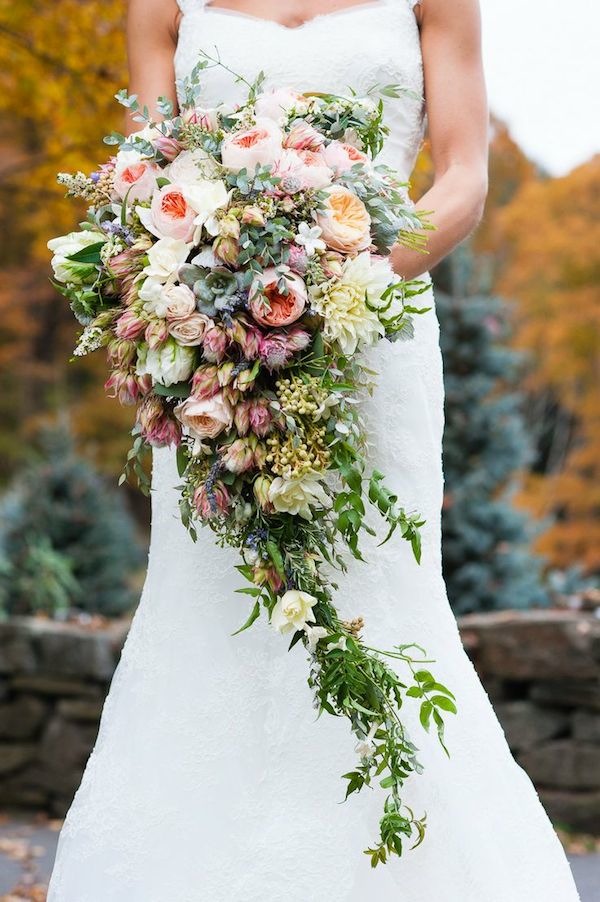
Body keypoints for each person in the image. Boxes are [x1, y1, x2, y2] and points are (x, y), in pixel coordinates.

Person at [47, 2, 581, 899]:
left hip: (375, 342)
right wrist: (205, 291)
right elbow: (143, 185)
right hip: (217, 356)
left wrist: (341, 281)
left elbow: (461, 179)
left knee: (379, 593)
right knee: (211, 605)